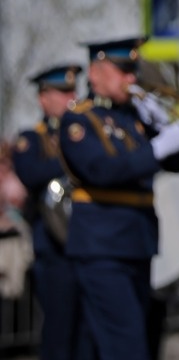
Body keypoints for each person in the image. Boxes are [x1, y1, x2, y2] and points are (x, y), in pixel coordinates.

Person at [58, 36, 179, 359]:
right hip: (102, 247)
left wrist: (163, 127)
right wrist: (159, 146)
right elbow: (102, 170)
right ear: (95, 73)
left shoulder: (135, 117)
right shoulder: (80, 120)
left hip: (136, 242)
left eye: (132, 70)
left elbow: (177, 165)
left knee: (112, 343)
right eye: (123, 71)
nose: (132, 79)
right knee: (127, 346)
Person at [11, 64, 96, 360]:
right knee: (59, 331)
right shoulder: (31, 138)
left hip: (87, 244)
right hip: (53, 247)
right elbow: (31, 174)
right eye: (61, 92)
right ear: (43, 98)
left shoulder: (87, 132)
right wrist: (73, 159)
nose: (70, 97)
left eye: (72, 90)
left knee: (88, 333)